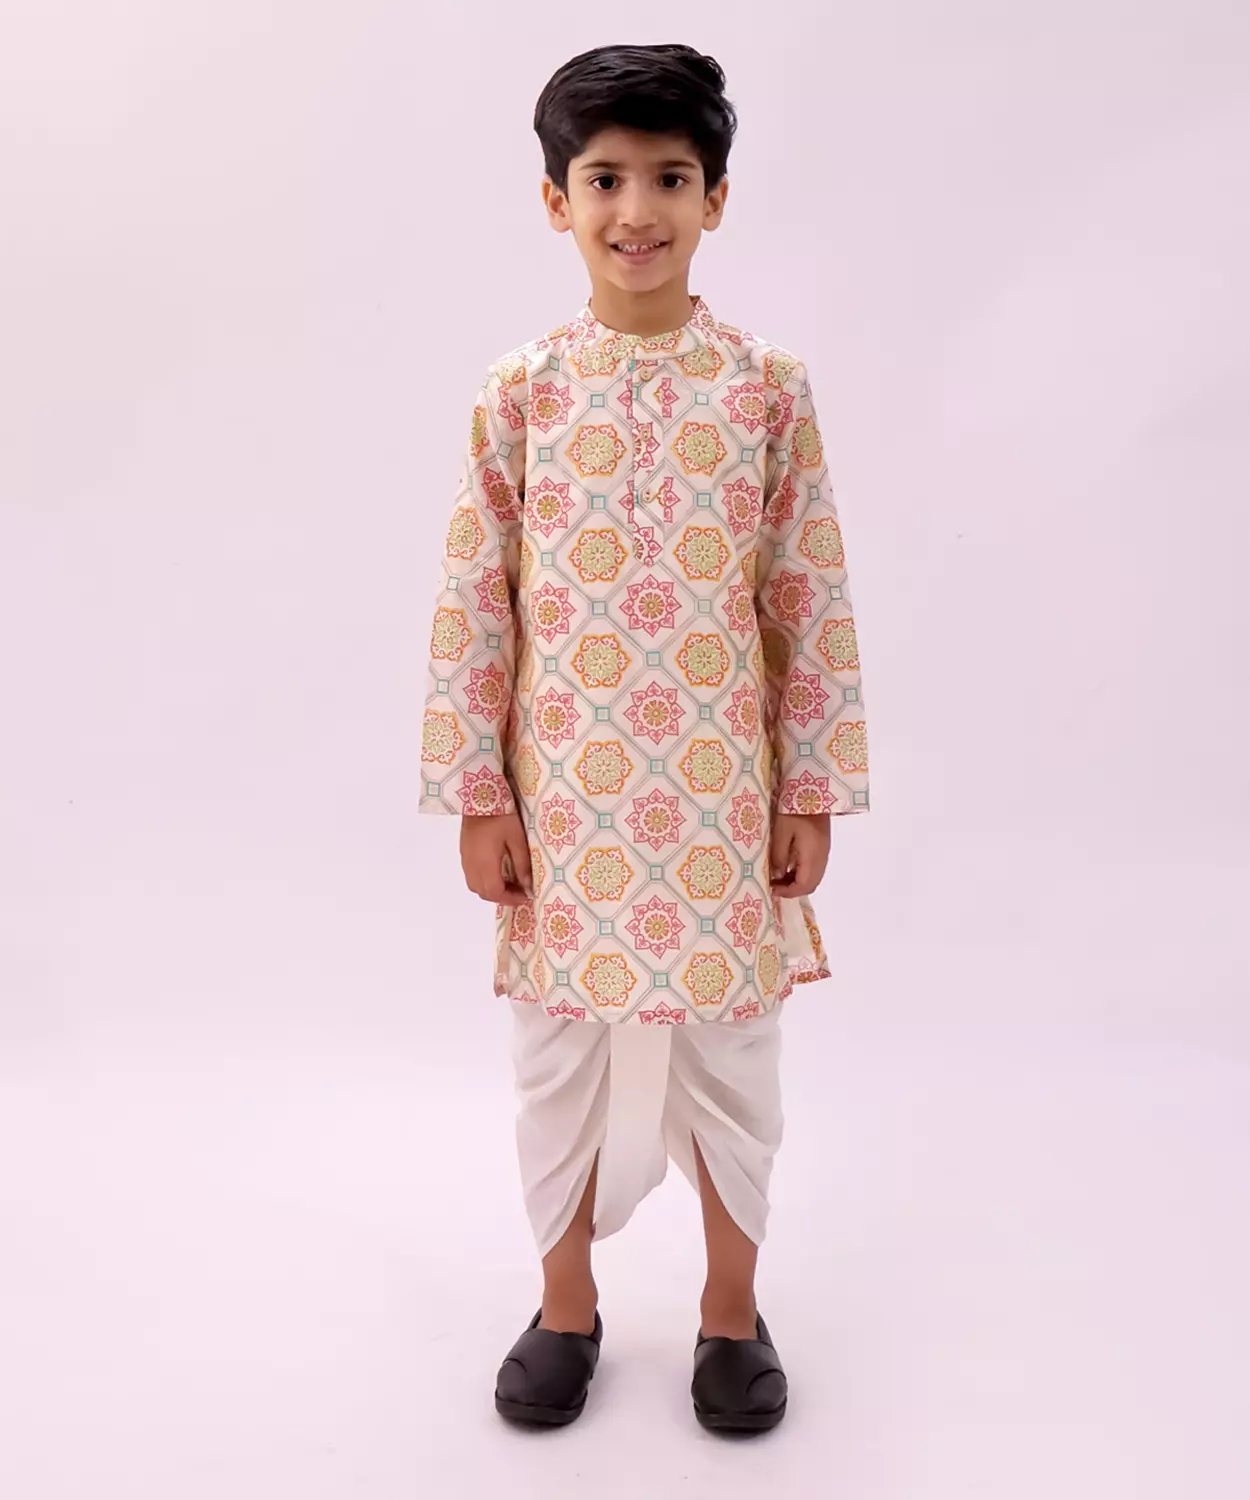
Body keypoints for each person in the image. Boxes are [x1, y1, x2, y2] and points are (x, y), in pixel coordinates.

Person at [419, 42, 869, 1432]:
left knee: (734, 1060)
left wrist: (811, 787)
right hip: (565, 806)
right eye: (604, 178)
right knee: (556, 1059)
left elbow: (804, 593)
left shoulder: (766, 388)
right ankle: (566, 1304)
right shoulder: (521, 390)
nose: (636, 209)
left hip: (722, 802)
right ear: (555, 199)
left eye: (669, 178)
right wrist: (477, 793)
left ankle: (730, 1312)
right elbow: (474, 599)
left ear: (714, 198)